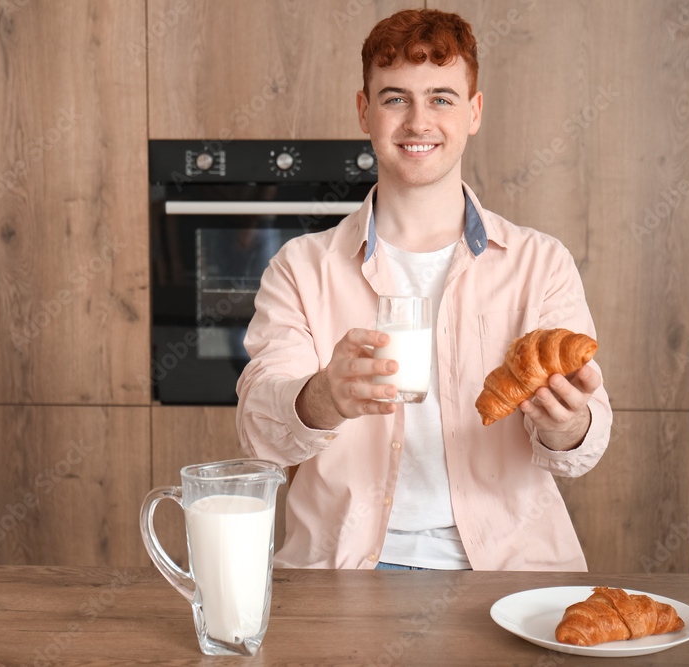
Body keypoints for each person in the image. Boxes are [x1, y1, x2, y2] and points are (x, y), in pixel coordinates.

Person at [235, 8, 612, 571]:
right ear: (365, 111)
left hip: (505, 571)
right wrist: (323, 397)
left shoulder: (540, 263)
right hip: (341, 573)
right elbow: (258, 434)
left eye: (441, 98)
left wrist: (568, 425)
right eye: (394, 98)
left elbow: (586, 444)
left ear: (473, 112)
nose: (418, 121)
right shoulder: (301, 268)